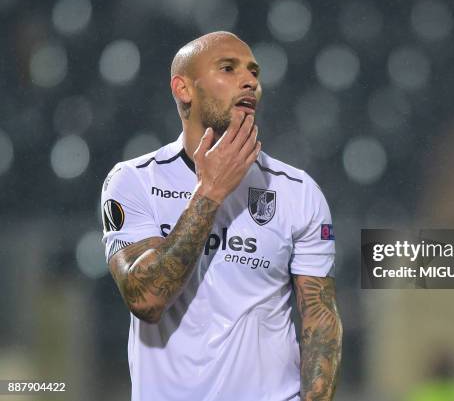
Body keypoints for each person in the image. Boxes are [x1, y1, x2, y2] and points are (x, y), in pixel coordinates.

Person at [100, 31, 342, 401]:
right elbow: (146, 299)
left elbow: (319, 321)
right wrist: (210, 192)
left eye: (254, 72)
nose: (250, 81)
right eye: (228, 68)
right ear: (183, 89)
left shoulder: (298, 191)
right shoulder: (134, 181)